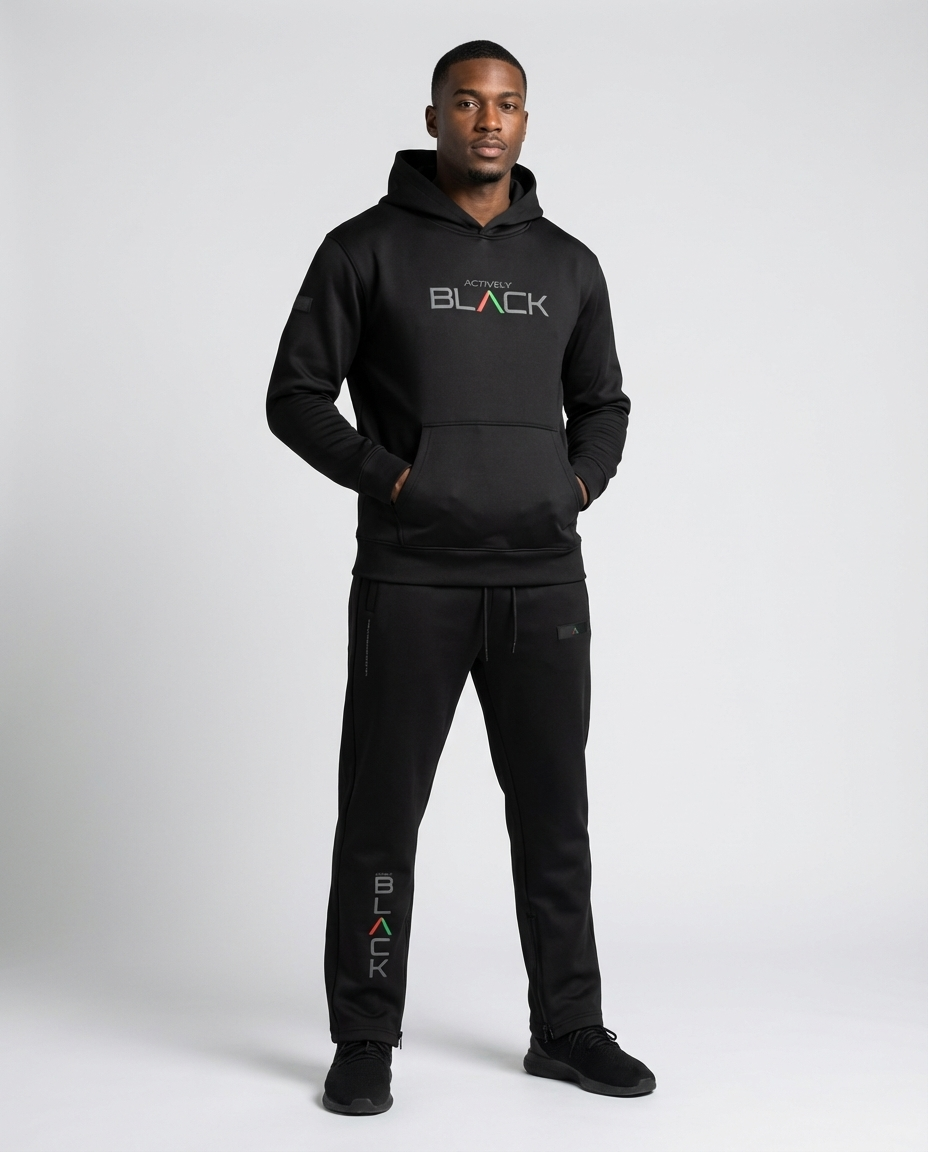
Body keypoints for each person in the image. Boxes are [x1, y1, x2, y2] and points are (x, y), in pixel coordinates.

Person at [267, 39, 655, 1115]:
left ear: (525, 121)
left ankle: (568, 1028)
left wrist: (573, 485)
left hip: (544, 581)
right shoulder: (364, 249)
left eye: (509, 104)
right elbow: (295, 395)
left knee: (555, 815)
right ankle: (364, 1035)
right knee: (382, 815)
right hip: (413, 580)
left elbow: (604, 403)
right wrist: (396, 480)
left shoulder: (569, 265)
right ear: (434, 115)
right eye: (469, 102)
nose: (489, 120)